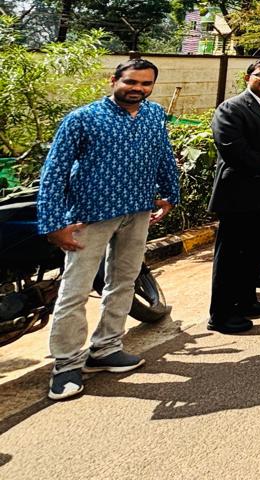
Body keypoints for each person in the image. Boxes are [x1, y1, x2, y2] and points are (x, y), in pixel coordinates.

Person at [38, 59, 180, 401]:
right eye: (131, 82)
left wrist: (170, 193)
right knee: (75, 290)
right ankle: (66, 364)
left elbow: (163, 153)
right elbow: (54, 172)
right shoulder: (83, 118)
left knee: (124, 281)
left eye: (146, 84)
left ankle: (106, 348)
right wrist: (54, 224)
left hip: (138, 210)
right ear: (113, 80)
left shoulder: (153, 114)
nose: (138, 89)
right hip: (90, 216)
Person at [208, 59, 260, 335]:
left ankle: (246, 301)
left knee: (255, 250)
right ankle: (221, 314)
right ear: (248, 77)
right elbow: (233, 149)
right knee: (231, 255)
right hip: (239, 192)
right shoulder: (231, 108)